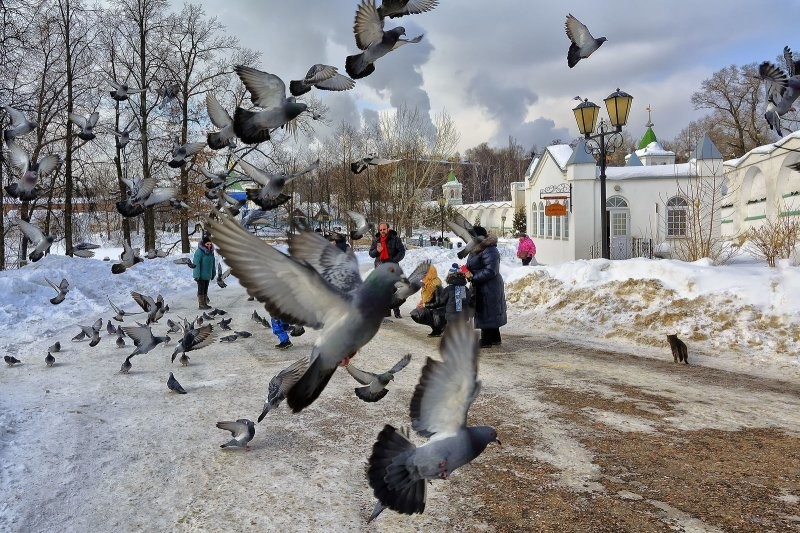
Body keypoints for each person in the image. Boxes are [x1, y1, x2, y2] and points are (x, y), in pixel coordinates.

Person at [464, 225, 507, 348]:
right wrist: (466, 271)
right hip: (482, 285)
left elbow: (491, 270)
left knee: (487, 310)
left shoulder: (490, 250)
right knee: (487, 310)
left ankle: (486, 339)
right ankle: (494, 337)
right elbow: (475, 264)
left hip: (489, 286)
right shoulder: (476, 248)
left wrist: (474, 277)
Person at [369, 221, 406, 318]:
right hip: (379, 266)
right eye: (380, 230)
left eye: (384, 229)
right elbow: (371, 254)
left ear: (388, 229)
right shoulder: (376, 240)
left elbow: (401, 252)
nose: (382, 231)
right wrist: (377, 250)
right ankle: (386, 311)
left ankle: (396, 311)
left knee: (393, 288)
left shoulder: (395, 239)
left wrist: (394, 261)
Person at [410, 264, 444, 336]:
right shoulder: (426, 283)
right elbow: (425, 298)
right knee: (415, 313)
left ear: (430, 273)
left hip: (439, 310)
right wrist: (421, 302)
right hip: (431, 308)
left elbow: (439, 303)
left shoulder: (436, 284)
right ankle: (436, 328)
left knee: (429, 313)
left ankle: (439, 327)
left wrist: (424, 305)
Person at [436, 263, 472, 327]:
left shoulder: (449, 289)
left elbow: (441, 301)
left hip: (451, 317)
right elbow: (466, 301)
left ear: (449, 277)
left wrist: (437, 292)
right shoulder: (464, 289)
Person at [192, 234, 215, 310]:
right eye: (207, 244)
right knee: (201, 289)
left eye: (210, 244)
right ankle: (201, 304)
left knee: (205, 289)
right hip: (200, 275)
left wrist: (213, 273)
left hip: (207, 275)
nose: (209, 245)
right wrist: (196, 275)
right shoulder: (199, 252)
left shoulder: (211, 252)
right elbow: (196, 264)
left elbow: (213, 264)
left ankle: (204, 303)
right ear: (204, 244)